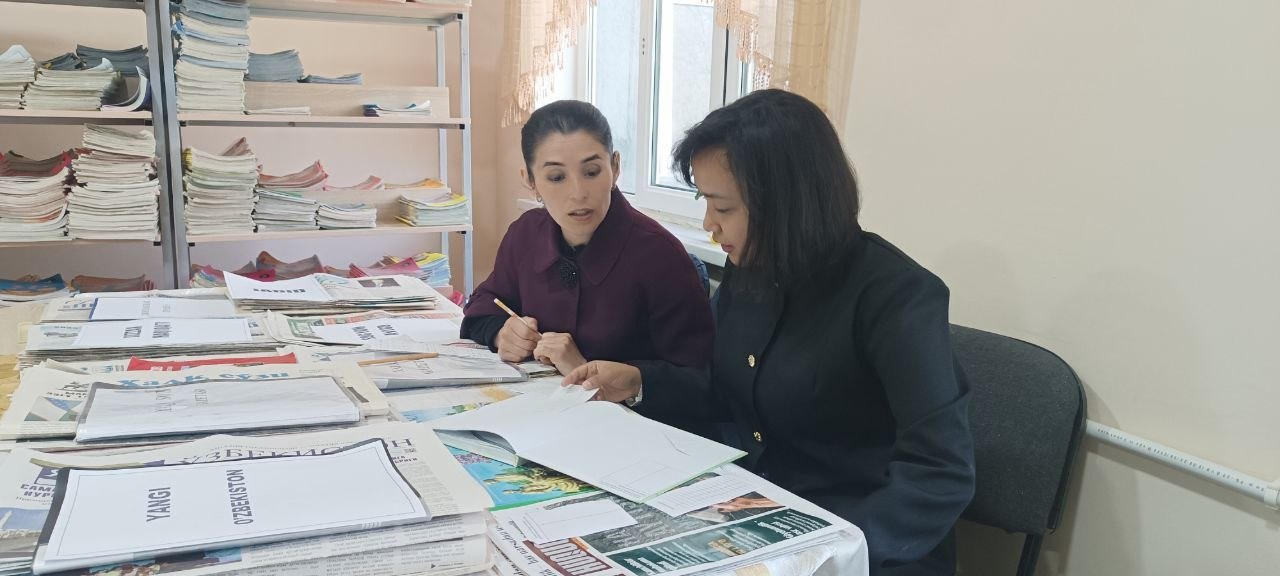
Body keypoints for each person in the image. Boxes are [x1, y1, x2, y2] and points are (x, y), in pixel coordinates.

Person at [564, 89, 976, 576]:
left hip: (862, 545)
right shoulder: (752, 272)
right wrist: (639, 382)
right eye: (705, 202)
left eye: (723, 208)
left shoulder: (896, 296)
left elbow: (939, 472)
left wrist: (826, 554)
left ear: (785, 204)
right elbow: (723, 386)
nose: (710, 225)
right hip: (757, 515)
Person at [462, 100, 713, 381]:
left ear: (615, 168)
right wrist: (501, 333)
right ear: (530, 181)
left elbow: (698, 379)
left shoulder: (660, 255)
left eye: (592, 172)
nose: (578, 193)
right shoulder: (525, 234)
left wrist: (591, 371)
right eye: (557, 177)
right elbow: (486, 302)